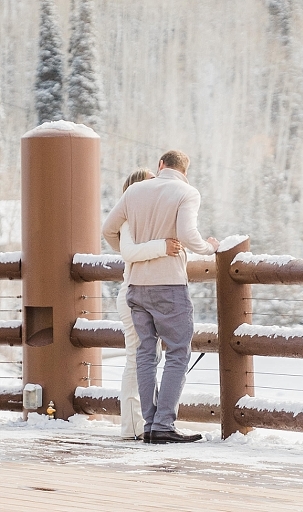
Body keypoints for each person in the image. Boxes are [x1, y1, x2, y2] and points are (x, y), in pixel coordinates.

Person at [102, 150, 219, 444]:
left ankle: (151, 424)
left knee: (144, 355)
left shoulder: (135, 191)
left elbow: (108, 229)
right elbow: (187, 235)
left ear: (161, 165)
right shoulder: (186, 192)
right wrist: (209, 248)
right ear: (184, 171)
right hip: (169, 286)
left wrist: (131, 255)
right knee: (178, 352)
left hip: (136, 288)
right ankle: (164, 424)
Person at [116, 168, 182, 440]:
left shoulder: (145, 220)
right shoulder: (129, 219)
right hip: (132, 294)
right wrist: (163, 247)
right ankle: (132, 427)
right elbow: (129, 252)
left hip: (143, 292)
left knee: (147, 357)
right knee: (137, 357)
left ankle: (147, 423)